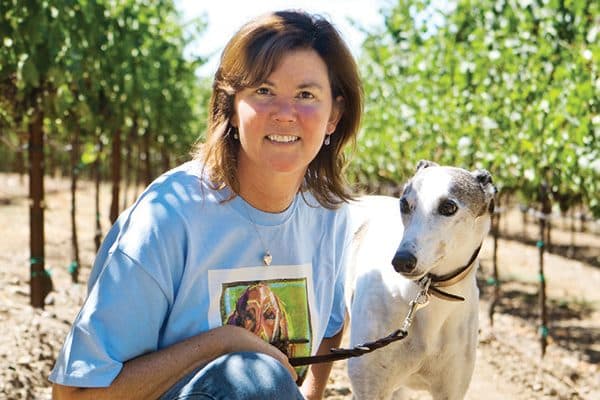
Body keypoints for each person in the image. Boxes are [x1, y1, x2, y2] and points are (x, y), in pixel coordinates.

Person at [50, 9, 362, 400]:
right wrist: (224, 342)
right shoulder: (170, 215)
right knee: (253, 377)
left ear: (334, 114)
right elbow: (75, 393)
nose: (285, 113)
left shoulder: (327, 212)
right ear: (231, 107)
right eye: (263, 91)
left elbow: (333, 322)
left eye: (306, 95)